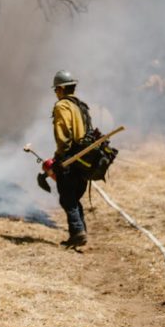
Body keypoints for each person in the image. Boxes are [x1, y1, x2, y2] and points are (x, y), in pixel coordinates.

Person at [51, 70, 90, 247]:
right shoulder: (80, 106)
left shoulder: (62, 106)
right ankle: (80, 232)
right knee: (73, 198)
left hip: (70, 159)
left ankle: (78, 232)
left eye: (55, 90)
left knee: (67, 198)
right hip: (84, 159)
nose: (55, 94)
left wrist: (60, 156)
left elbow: (63, 133)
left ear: (60, 89)